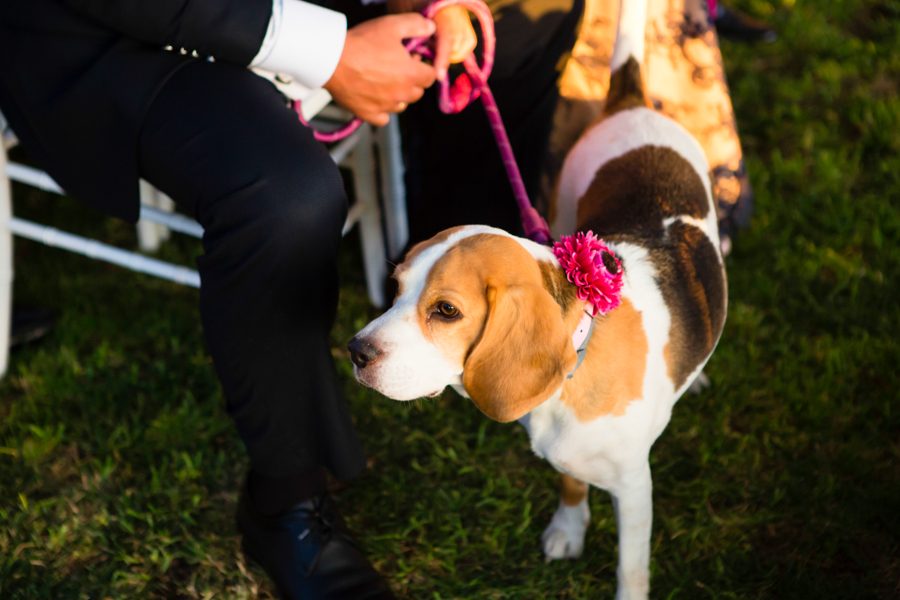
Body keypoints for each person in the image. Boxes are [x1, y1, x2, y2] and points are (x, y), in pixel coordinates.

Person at [0, 0, 583, 597]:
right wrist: (333, 53)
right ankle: (285, 497)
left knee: (535, 12)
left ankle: (474, 309)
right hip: (115, 33)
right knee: (287, 196)